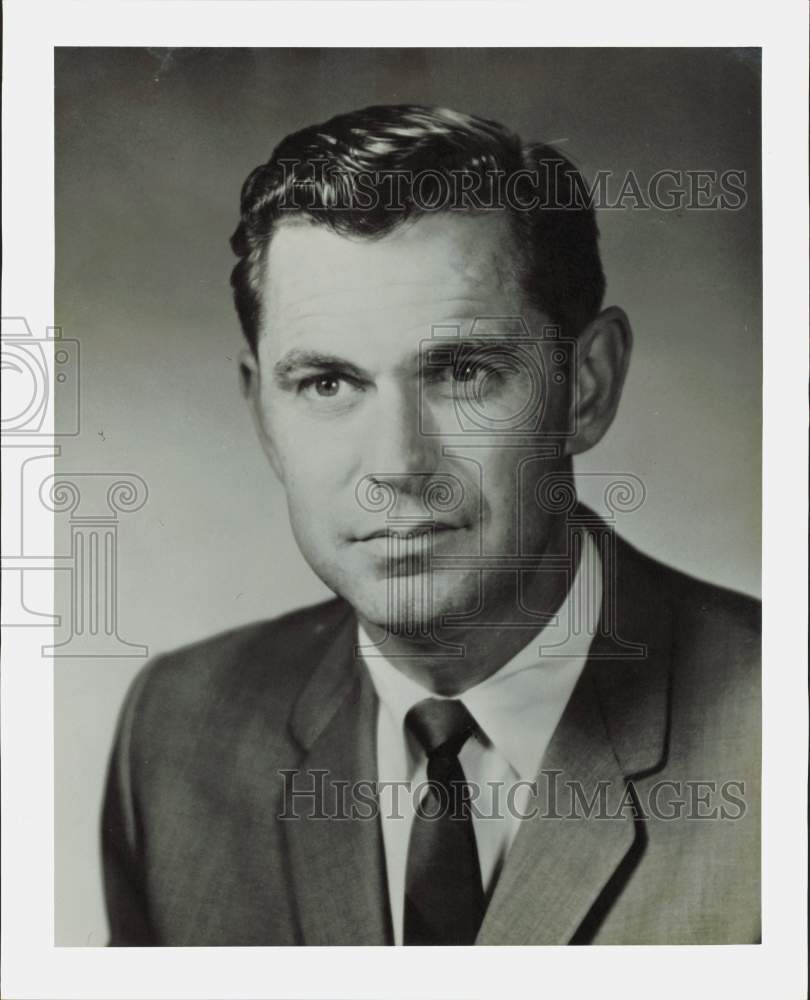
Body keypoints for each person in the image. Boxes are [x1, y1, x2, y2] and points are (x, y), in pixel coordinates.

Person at [101, 105, 760, 946]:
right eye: (328, 384)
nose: (397, 468)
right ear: (263, 414)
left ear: (586, 386)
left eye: (461, 373)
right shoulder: (178, 729)